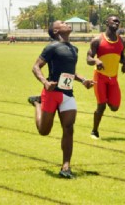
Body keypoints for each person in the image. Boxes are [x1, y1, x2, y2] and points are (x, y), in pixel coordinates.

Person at [28, 20, 95, 179]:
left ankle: (66, 166)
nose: (67, 23)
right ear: (56, 31)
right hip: (51, 94)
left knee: (69, 128)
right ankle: (37, 103)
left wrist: (83, 80)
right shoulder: (52, 47)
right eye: (63, 23)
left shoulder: (74, 49)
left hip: (67, 94)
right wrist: (45, 82)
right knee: (44, 131)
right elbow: (36, 66)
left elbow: (70, 72)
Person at [86, 15, 125, 139]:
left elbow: (122, 56)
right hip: (100, 77)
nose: (117, 22)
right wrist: (96, 61)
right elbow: (88, 58)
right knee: (101, 106)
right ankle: (94, 131)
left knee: (115, 107)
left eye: (118, 21)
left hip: (113, 78)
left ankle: (107, 99)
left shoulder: (122, 41)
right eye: (114, 20)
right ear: (107, 23)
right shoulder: (97, 40)